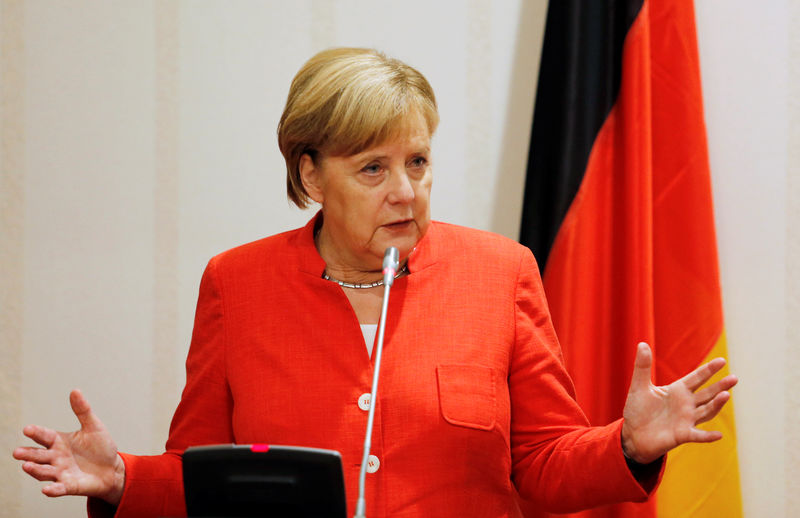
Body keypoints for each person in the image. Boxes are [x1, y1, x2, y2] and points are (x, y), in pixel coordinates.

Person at [13, 47, 737, 518]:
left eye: (417, 162)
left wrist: (628, 446)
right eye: (372, 168)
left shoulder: (501, 274)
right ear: (309, 175)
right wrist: (122, 480)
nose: (405, 191)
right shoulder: (238, 283)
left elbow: (541, 467)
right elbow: (211, 479)